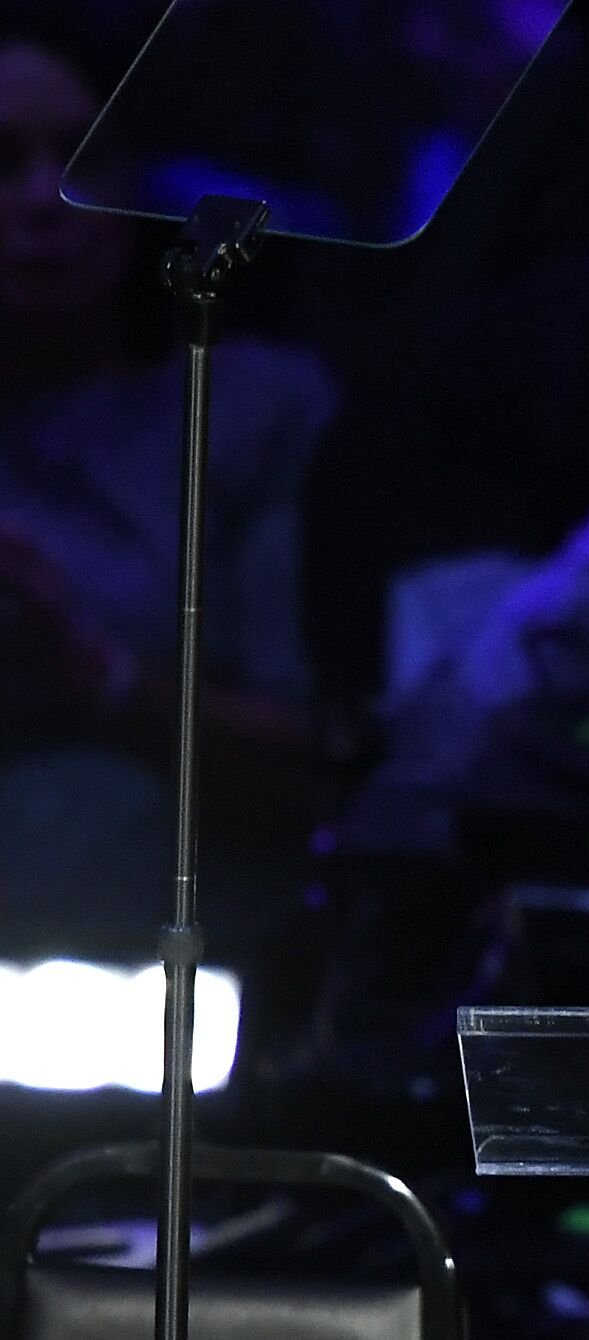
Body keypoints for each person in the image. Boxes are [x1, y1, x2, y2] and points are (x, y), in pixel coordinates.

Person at [0, 16, 336, 938]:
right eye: (3, 164)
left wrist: (89, 671)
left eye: (81, 160)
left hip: (167, 927)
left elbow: (318, 766)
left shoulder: (251, 411)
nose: (43, 199)